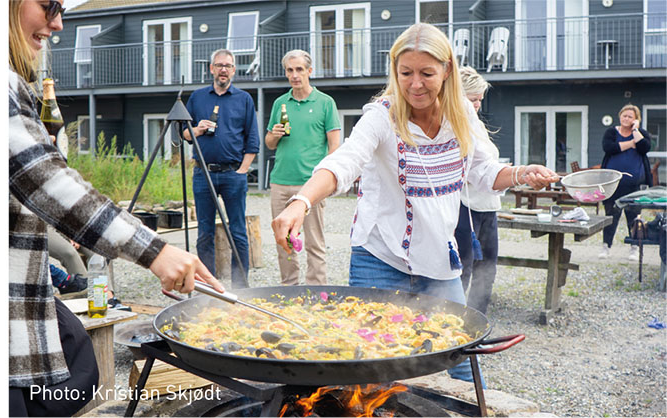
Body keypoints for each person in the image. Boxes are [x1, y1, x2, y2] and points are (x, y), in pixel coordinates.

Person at [270, 23, 559, 383]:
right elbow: (344, 161)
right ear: (395, 71)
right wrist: (301, 201)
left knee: (460, 358)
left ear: (447, 70)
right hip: (379, 256)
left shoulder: (463, 115)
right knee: (372, 365)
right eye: (406, 73)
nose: (415, 84)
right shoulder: (381, 116)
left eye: (427, 73)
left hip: (439, 260)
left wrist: (520, 173)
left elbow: (484, 171)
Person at [8, 1, 223, 415]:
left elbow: (43, 177)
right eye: (48, 6)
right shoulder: (1, 86)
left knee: (76, 361)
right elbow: (49, 183)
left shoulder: (20, 87)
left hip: (25, 293)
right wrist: (157, 252)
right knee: (69, 373)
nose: (57, 23)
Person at [182, 49, 260, 289]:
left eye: (228, 65)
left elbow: (253, 140)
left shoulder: (244, 99)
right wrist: (197, 130)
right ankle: (208, 286)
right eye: (219, 65)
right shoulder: (197, 98)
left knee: (237, 231)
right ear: (211, 69)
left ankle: (240, 286)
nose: (223, 69)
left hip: (232, 174)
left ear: (234, 70)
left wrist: (242, 170)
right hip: (202, 173)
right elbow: (183, 133)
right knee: (204, 233)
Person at [264, 49, 342, 286]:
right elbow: (269, 143)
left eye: (299, 69)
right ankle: (289, 289)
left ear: (310, 71)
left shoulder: (325, 103)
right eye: (290, 70)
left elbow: (335, 146)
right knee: (284, 240)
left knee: (314, 242)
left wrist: (325, 182)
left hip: (310, 186)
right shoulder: (280, 103)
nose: (295, 75)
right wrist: (274, 135)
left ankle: (317, 291)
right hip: (280, 182)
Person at [452, 66, 499, 314]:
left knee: (488, 268)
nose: (477, 104)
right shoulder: (455, 125)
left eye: (480, 99)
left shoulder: (478, 125)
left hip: (489, 205)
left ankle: (477, 319)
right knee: (463, 269)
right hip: (466, 206)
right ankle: (454, 319)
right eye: (473, 99)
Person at [599, 104, 654, 260]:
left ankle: (634, 248)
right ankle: (606, 247)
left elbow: (644, 148)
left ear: (636, 119)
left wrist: (635, 130)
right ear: (620, 116)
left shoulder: (641, 133)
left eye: (630, 116)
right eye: (624, 115)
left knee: (634, 217)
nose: (626, 118)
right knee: (611, 216)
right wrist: (630, 144)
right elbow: (609, 148)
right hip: (613, 184)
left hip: (634, 185)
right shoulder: (611, 132)